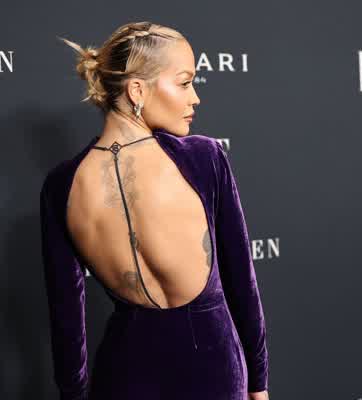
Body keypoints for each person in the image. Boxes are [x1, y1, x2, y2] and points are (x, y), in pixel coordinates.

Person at [38, 21, 269, 400]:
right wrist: (258, 383)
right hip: (211, 369)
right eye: (185, 83)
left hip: (122, 375)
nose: (195, 98)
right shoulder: (202, 157)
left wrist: (73, 395)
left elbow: (66, 320)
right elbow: (242, 283)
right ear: (137, 90)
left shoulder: (62, 185)